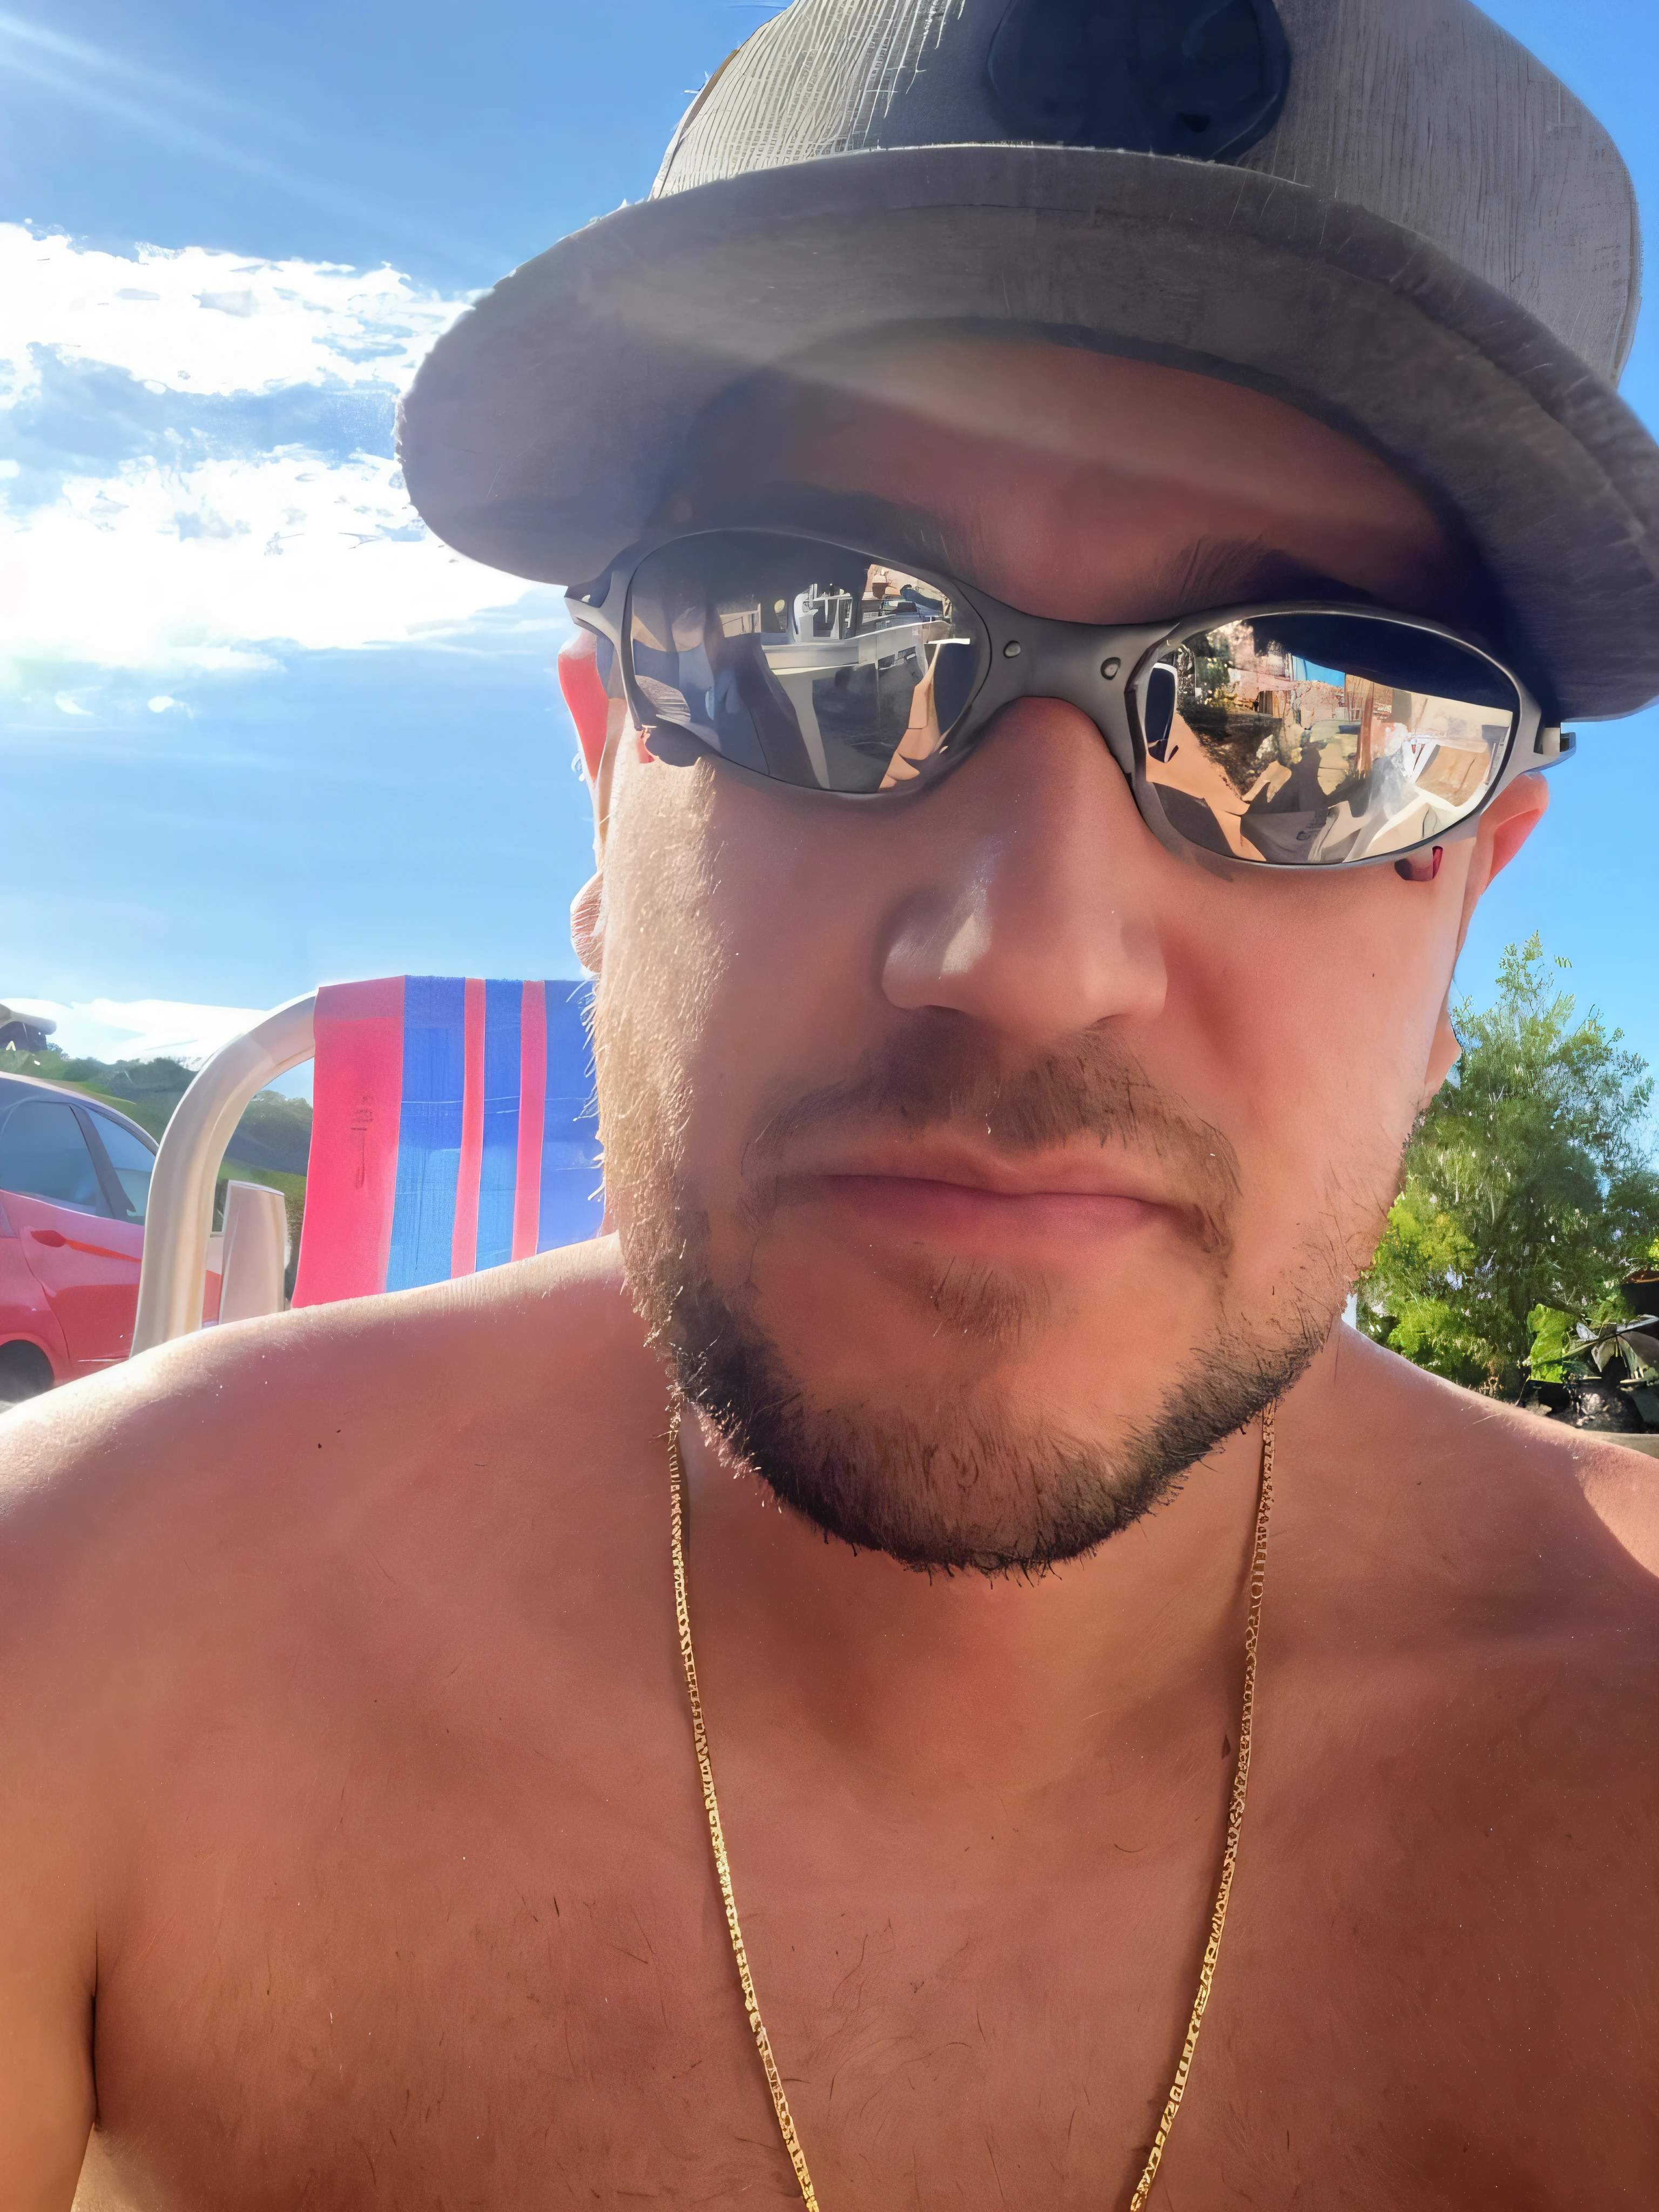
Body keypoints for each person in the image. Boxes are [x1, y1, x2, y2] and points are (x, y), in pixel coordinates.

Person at [6, 2, 1657, 2206]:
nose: (1030, 952)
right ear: (609, 778)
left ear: (1464, 908)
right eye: (817, 641)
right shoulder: (95, 1628)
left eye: (1319, 725)